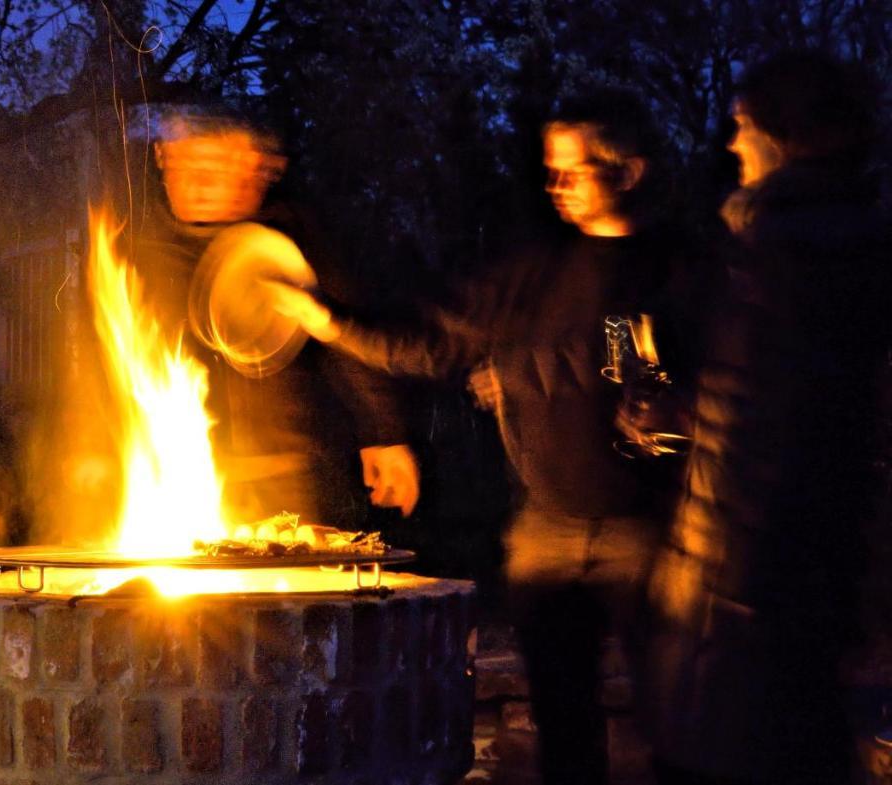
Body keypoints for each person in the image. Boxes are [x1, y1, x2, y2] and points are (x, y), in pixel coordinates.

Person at [275, 90, 704, 785]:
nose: (558, 186)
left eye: (578, 168)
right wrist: (328, 322)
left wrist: (675, 413)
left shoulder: (678, 272)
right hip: (548, 532)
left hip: (648, 532)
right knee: (565, 720)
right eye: (551, 170)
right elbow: (431, 339)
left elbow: (715, 386)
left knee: (676, 714)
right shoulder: (534, 279)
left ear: (628, 171)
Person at [645, 50, 888, 785]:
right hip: (790, 589)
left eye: (743, 126)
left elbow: (777, 445)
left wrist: (718, 594)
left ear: (787, 135)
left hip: (749, 593)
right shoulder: (836, 246)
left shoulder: (783, 253)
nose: (731, 145)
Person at [141, 109, 420, 527]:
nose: (196, 184)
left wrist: (384, 434)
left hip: (279, 471)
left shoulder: (289, 243)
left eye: (214, 168)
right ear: (162, 160)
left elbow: (343, 337)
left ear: (257, 171)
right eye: (183, 165)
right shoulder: (140, 249)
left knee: (283, 583)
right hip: (165, 469)